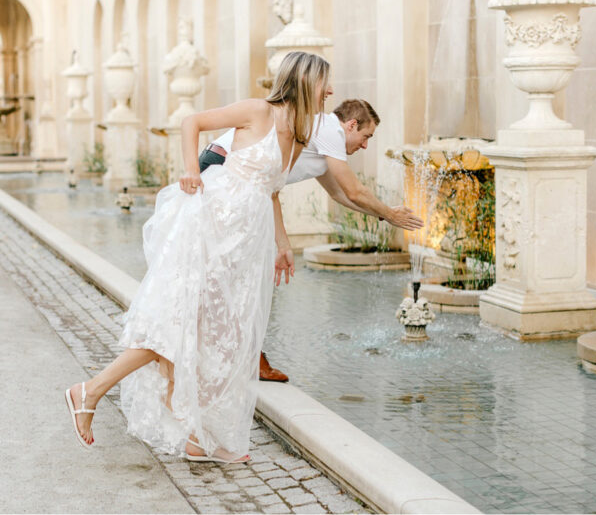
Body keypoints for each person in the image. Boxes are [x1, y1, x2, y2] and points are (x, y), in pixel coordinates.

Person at [63, 51, 330, 463]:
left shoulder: (298, 137)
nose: (329, 90)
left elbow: (272, 191)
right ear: (304, 81)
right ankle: (92, 390)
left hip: (246, 242)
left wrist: (283, 244)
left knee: (224, 335)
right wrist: (191, 169)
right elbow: (193, 122)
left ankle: (199, 437)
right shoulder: (258, 111)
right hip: (211, 229)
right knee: (178, 322)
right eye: (323, 83)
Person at [198, 99, 424, 382]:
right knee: (232, 272)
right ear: (351, 125)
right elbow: (354, 191)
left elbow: (339, 194)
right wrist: (390, 214)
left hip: (236, 180)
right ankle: (239, 355)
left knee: (237, 273)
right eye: (366, 137)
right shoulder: (330, 130)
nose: (365, 145)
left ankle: (241, 353)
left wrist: (383, 215)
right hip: (224, 170)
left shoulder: (326, 143)